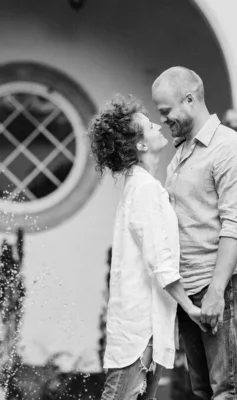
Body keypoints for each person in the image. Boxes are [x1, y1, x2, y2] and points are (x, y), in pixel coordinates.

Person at [88, 94, 207, 400]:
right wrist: (191, 307)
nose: (157, 125)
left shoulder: (142, 186)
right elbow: (160, 261)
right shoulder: (144, 189)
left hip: (147, 328)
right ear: (140, 145)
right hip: (140, 330)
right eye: (149, 126)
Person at [152, 66, 237, 400]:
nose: (164, 120)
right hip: (190, 289)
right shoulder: (182, 153)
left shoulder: (230, 148)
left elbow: (235, 224)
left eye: (167, 111)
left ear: (189, 98)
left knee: (228, 390)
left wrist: (216, 290)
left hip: (220, 284)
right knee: (201, 391)